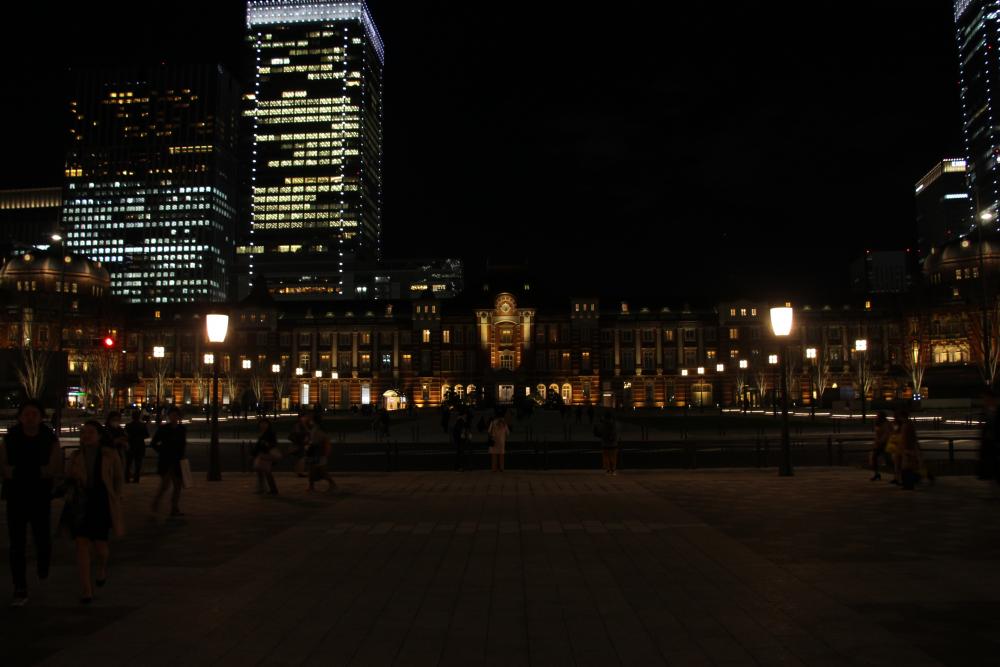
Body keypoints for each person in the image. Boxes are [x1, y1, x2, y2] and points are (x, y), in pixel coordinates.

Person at [0, 400, 62, 606]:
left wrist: (20, 471)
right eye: (26, 414)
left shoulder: (49, 439)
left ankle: (43, 564)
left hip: (40, 496)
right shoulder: (10, 438)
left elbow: (51, 468)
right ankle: (20, 587)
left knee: (42, 538)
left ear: (41, 417)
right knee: (16, 543)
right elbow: (4, 468)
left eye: (34, 414)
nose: (30, 418)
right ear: (20, 417)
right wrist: (36, 470)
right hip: (16, 496)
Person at [64, 421, 125, 604]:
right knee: (81, 543)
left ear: (99, 435)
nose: (86, 435)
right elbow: (68, 478)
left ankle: (101, 568)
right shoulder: (75, 456)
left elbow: (118, 478)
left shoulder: (110, 454)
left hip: (102, 502)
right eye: (83, 432)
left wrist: (116, 497)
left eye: (91, 432)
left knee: (101, 547)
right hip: (81, 503)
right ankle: (86, 589)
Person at [150, 406, 187, 516]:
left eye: (176, 415)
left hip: (177, 461)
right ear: (169, 416)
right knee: (165, 485)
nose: (174, 417)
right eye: (172, 415)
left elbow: (183, 444)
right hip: (166, 460)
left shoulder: (182, 429)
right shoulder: (163, 429)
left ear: (179, 416)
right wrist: (163, 451)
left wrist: (183, 456)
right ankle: (155, 504)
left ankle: (174, 508)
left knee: (177, 486)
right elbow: (153, 443)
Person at [979, 388, 1000, 492]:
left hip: (995, 444)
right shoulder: (987, 411)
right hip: (990, 445)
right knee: (992, 468)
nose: (984, 401)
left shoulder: (993, 411)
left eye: (986, 398)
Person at [306, 417, 335, 492]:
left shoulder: (318, 431)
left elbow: (319, 441)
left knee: (321, 470)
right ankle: (311, 486)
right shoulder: (315, 429)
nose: (310, 422)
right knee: (312, 470)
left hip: (318, 452)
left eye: (311, 420)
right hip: (315, 452)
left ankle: (332, 484)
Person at [895, 409, 921, 490]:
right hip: (906, 448)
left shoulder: (907, 425)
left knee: (906, 468)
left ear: (902, 416)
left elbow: (910, 437)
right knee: (907, 467)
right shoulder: (906, 424)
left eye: (900, 417)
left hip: (908, 448)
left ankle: (909, 484)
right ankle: (908, 484)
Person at [252, 418, 279, 495]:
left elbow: (273, 443)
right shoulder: (262, 433)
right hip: (262, 454)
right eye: (261, 423)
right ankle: (263, 488)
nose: (263, 425)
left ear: (268, 425)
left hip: (267, 454)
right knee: (261, 471)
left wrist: (266, 444)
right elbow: (258, 445)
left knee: (267, 472)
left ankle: (272, 489)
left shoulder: (270, 433)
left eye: (265, 423)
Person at [124, 409, 149, 483]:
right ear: (139, 417)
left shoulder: (128, 425)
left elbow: (125, 435)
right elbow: (146, 435)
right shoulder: (142, 425)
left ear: (132, 417)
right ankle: (136, 478)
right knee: (138, 463)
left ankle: (127, 478)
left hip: (131, 445)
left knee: (128, 463)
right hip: (140, 445)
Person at [870, 411, 891, 481]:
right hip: (879, 444)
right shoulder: (878, 423)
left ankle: (898, 474)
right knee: (874, 458)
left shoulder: (886, 424)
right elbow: (877, 434)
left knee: (888, 460)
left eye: (878, 416)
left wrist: (880, 441)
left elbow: (886, 434)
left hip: (884, 444)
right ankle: (876, 474)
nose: (876, 417)